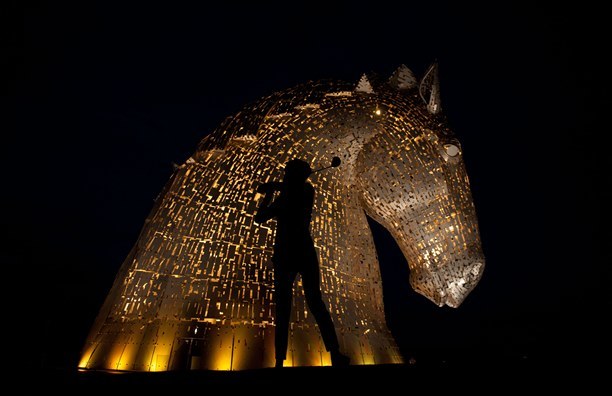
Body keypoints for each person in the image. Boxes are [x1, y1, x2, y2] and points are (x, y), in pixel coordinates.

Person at [255, 158, 350, 368]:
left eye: (288, 172)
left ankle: (334, 353)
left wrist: (273, 188)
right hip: (291, 253)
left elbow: (292, 192)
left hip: (299, 253)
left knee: (314, 301)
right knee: (284, 307)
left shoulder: (305, 191)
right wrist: (269, 194)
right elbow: (259, 218)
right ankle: (280, 360)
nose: (285, 175)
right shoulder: (286, 196)